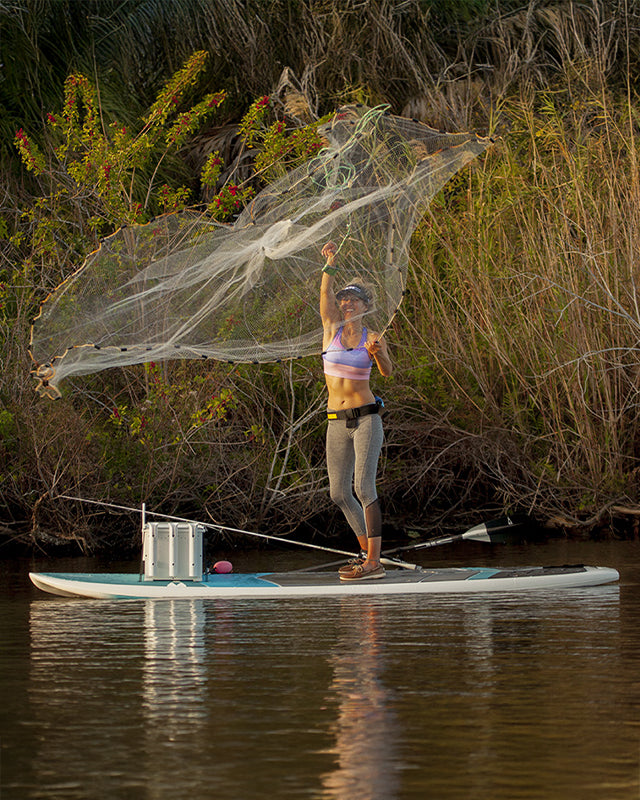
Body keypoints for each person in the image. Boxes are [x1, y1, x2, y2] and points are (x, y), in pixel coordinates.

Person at [320, 240, 393, 581]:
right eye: (343, 298)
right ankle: (366, 554)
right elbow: (324, 296)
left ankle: (374, 563)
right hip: (336, 423)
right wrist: (330, 263)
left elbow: (387, 372)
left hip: (366, 419)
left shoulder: (373, 335)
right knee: (338, 493)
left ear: (366, 305)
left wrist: (376, 352)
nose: (347, 302)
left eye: (354, 298)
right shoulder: (330, 331)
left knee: (364, 488)